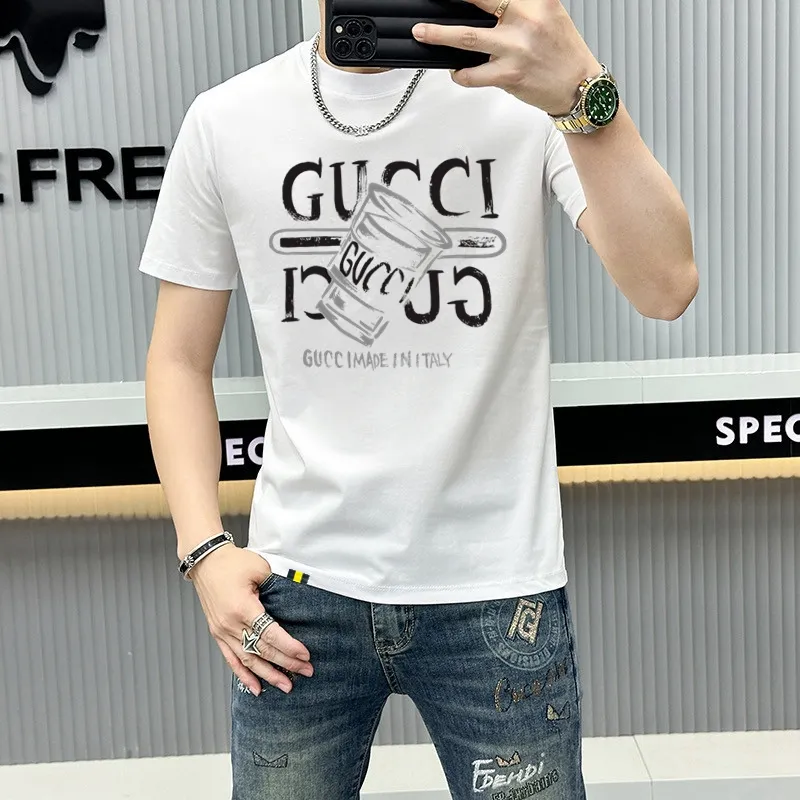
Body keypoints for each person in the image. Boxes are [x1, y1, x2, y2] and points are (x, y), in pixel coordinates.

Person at [139, 1, 698, 797]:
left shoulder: (521, 95)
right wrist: (203, 554)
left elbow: (666, 286)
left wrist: (583, 89)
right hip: (298, 584)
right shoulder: (227, 119)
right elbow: (177, 359)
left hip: (495, 585)